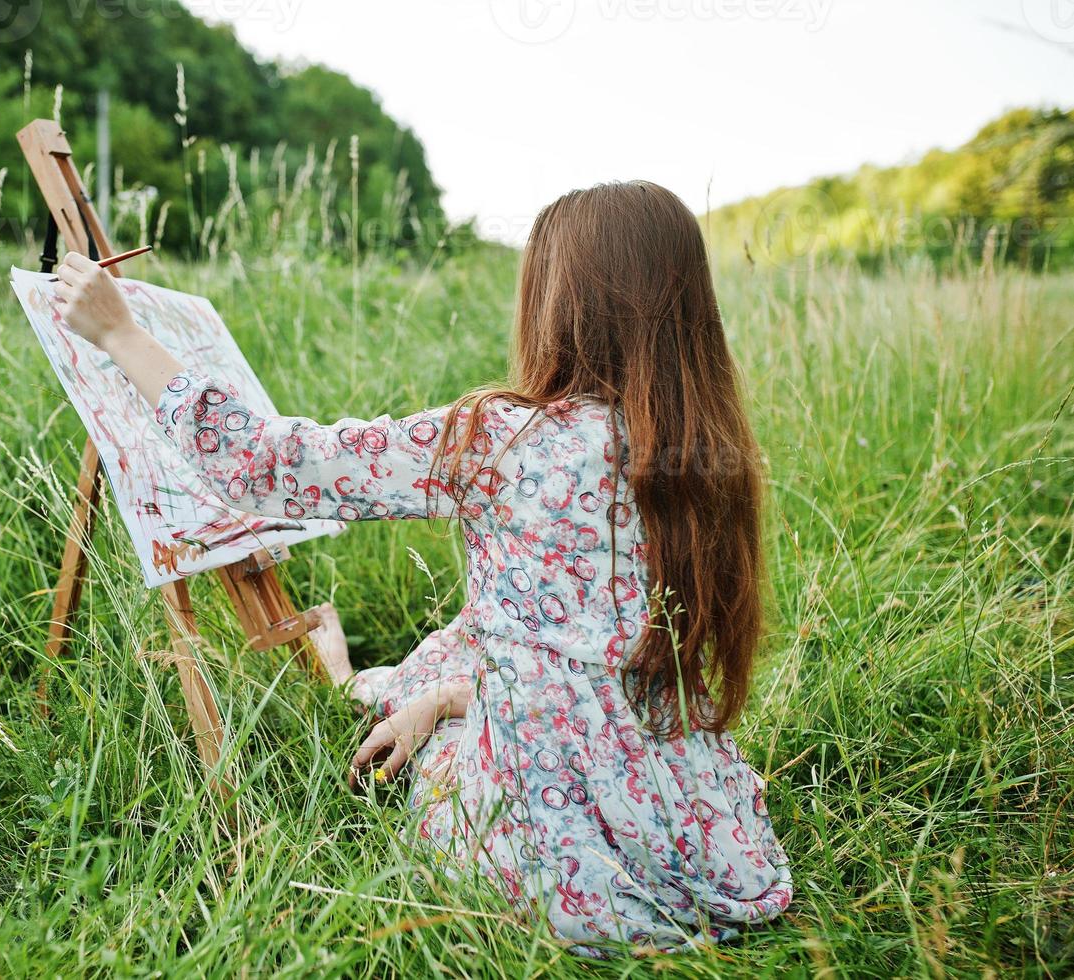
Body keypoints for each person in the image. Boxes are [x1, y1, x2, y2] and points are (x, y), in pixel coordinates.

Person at [49, 181, 792, 956]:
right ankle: (405, 692)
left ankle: (355, 684)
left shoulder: (503, 440)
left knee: (430, 725)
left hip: (552, 850)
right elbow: (592, 667)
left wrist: (122, 333)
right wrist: (442, 697)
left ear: (557, 301)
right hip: (701, 834)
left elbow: (267, 465)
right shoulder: (712, 453)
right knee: (451, 658)